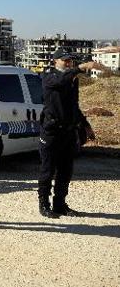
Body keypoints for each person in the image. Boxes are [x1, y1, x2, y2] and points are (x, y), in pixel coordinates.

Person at [38, 49, 104, 218]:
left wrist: (85, 124)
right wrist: (80, 68)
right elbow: (60, 82)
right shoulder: (49, 75)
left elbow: (73, 105)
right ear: (55, 61)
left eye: (71, 61)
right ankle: (44, 205)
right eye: (65, 60)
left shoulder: (72, 80)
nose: (69, 63)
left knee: (65, 170)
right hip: (51, 131)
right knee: (47, 171)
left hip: (68, 132)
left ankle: (60, 204)